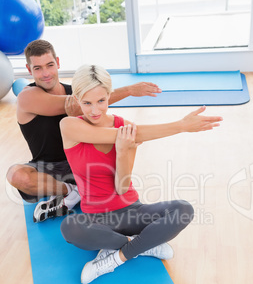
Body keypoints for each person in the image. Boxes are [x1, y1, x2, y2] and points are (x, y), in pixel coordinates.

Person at [59, 64, 223, 284]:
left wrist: (125, 150)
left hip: (132, 211)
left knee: (183, 209)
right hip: (96, 219)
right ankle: (144, 245)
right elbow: (126, 134)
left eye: (101, 101)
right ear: (77, 100)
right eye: (87, 103)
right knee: (70, 227)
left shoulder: (125, 127)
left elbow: (121, 187)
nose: (95, 110)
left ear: (109, 96)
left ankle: (115, 258)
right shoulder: (69, 126)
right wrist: (181, 125)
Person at [6, 39, 162, 223]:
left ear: (58, 62)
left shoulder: (79, 92)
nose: (46, 73)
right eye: (38, 68)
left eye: (49, 65)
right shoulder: (27, 96)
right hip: (47, 168)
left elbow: (98, 111)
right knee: (16, 175)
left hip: (81, 163)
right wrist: (129, 90)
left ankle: (86, 187)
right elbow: (70, 105)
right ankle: (72, 191)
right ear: (29, 69)